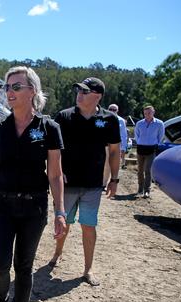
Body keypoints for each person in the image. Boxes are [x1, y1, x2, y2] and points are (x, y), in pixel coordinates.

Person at [0, 66, 65, 302]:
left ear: (33, 91)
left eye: (17, 87)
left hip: (34, 207)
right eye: (7, 87)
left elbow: (54, 173)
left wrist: (60, 212)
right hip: (1, 205)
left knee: (23, 265)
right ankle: (0, 301)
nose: (10, 92)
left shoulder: (49, 128)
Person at [48, 77, 121, 287]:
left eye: (85, 91)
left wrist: (114, 179)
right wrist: (57, 173)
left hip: (93, 185)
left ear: (97, 96)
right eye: (78, 90)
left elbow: (115, 151)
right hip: (67, 184)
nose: (79, 94)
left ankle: (88, 269)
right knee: (64, 223)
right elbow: (53, 150)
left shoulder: (108, 119)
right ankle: (57, 254)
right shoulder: (64, 116)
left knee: (89, 226)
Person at [134, 105, 164, 198]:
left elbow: (161, 136)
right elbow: (136, 135)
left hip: (151, 149)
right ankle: (140, 188)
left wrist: (156, 144)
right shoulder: (139, 123)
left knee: (148, 170)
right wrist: (140, 142)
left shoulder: (159, 123)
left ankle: (147, 190)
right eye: (145, 113)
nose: (147, 115)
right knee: (140, 170)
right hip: (140, 148)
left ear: (153, 112)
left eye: (149, 113)